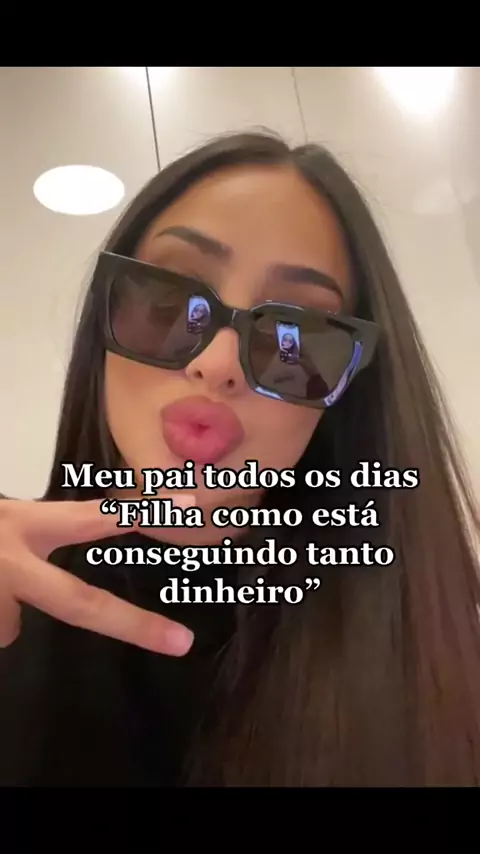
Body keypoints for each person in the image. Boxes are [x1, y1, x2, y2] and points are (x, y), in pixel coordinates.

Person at [1, 130, 479, 787]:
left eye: (295, 336)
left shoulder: (438, 674)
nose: (218, 362)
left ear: (344, 395)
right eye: (168, 298)